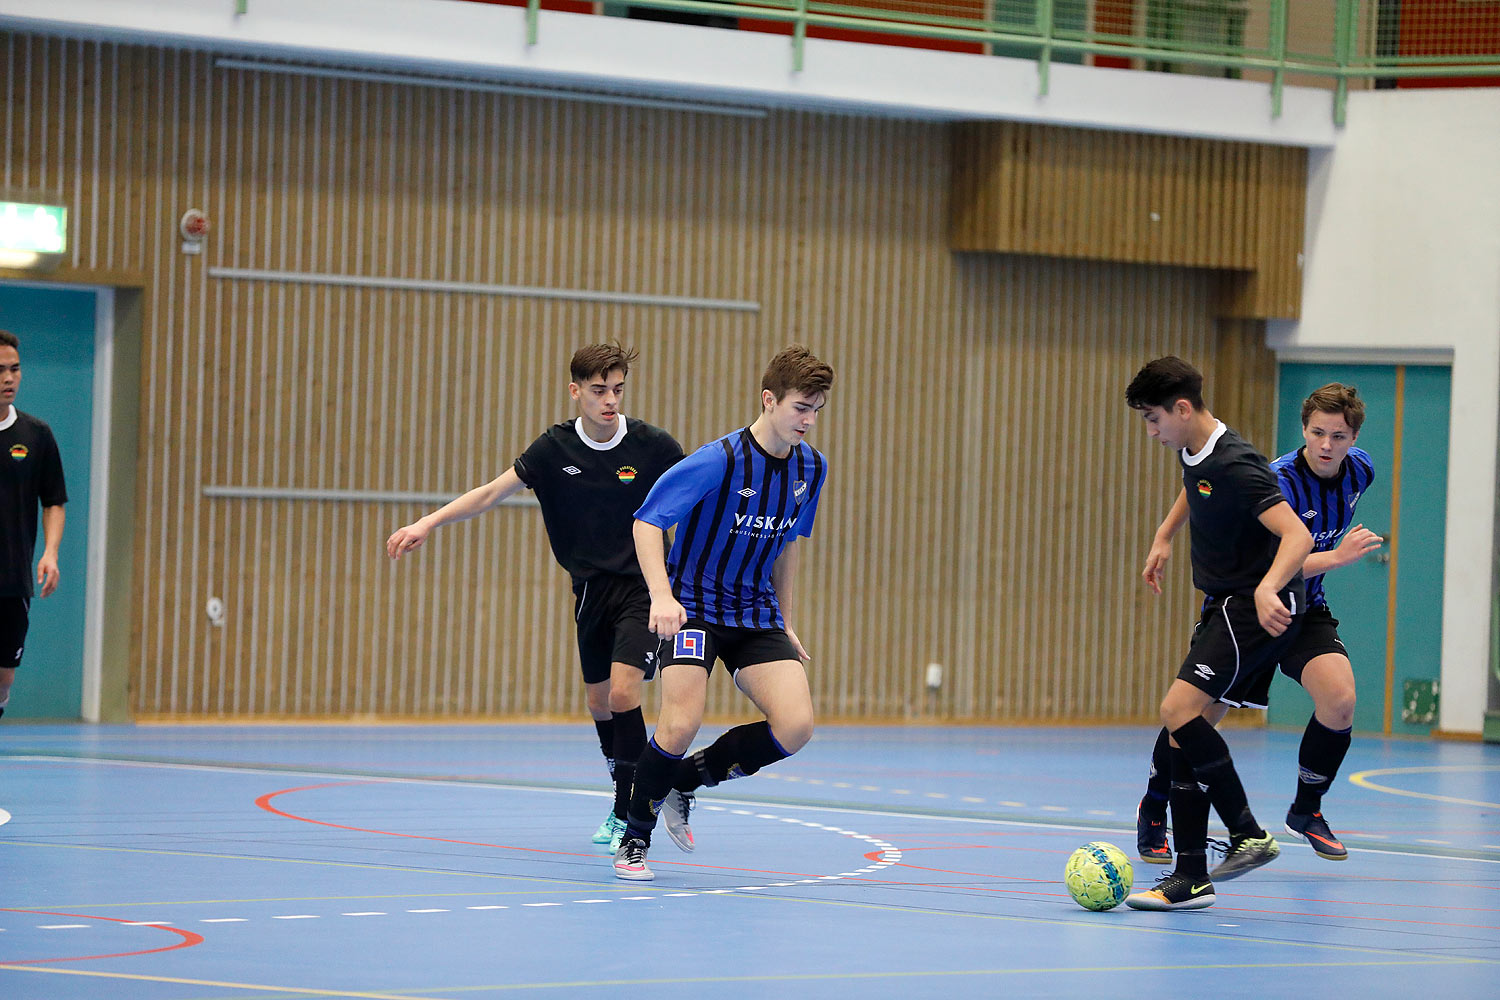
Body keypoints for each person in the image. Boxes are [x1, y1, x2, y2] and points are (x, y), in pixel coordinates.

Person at [386, 343, 682, 849]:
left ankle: (629, 810)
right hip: (589, 590)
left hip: (643, 588)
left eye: (617, 390)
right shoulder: (553, 449)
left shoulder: (654, 447)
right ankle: (628, 788)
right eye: (598, 391)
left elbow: (696, 497)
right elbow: (489, 493)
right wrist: (428, 521)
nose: (610, 400)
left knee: (623, 692)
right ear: (576, 392)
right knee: (598, 702)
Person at [611, 344, 833, 881]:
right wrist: (662, 597)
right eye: (800, 407)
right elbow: (646, 523)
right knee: (681, 720)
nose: (808, 420)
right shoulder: (719, 460)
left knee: (797, 725)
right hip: (695, 611)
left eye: (817, 410)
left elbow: (789, 544)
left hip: (755, 612)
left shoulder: (810, 468)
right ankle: (634, 838)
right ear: (769, 399)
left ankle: (686, 782)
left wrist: (784, 619)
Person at [1136, 383, 1379, 867]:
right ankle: (1155, 804)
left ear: (1354, 438)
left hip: (1303, 613)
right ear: (1303, 431)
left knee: (1341, 698)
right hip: (1253, 608)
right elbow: (1278, 559)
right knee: (1195, 718)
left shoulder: (1362, 471)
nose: (1326, 445)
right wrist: (1338, 556)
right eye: (1316, 433)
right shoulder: (1278, 479)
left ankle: (1306, 810)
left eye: (1338, 436)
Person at [1120, 356, 1313, 911]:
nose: (1152, 432)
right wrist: (1164, 535)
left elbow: (1296, 537)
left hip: (1253, 605)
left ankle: (1248, 833)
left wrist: (1266, 587)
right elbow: (1193, 481)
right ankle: (1190, 878)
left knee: (1176, 709)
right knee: (1188, 734)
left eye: (1154, 419)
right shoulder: (1195, 448)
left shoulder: (1237, 464)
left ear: (1182, 409)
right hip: (1225, 605)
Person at [0, 330, 68, 721]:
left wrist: (51, 552)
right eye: (1, 370)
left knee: (3, 679)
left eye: (15, 369)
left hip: (11, 580)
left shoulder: (36, 435)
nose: (9, 378)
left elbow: (54, 500)